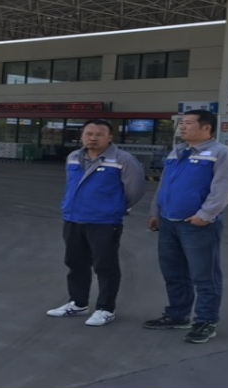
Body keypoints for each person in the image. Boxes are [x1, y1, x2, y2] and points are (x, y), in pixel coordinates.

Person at [144, 110, 228, 344]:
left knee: (204, 276)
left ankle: (206, 321)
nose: (182, 127)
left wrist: (206, 215)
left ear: (206, 127)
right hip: (169, 222)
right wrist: (156, 211)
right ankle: (177, 315)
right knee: (174, 273)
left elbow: (225, 188)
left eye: (188, 123)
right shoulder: (177, 151)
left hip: (197, 225)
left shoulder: (221, 154)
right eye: (182, 123)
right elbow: (164, 185)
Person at [47, 119, 146, 326]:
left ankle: (106, 308)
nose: (93, 138)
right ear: (82, 136)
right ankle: (78, 303)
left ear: (110, 137)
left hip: (104, 221)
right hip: (74, 218)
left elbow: (135, 190)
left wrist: (114, 208)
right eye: (89, 134)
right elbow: (71, 185)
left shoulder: (123, 159)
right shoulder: (74, 157)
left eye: (99, 134)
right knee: (75, 263)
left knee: (105, 265)